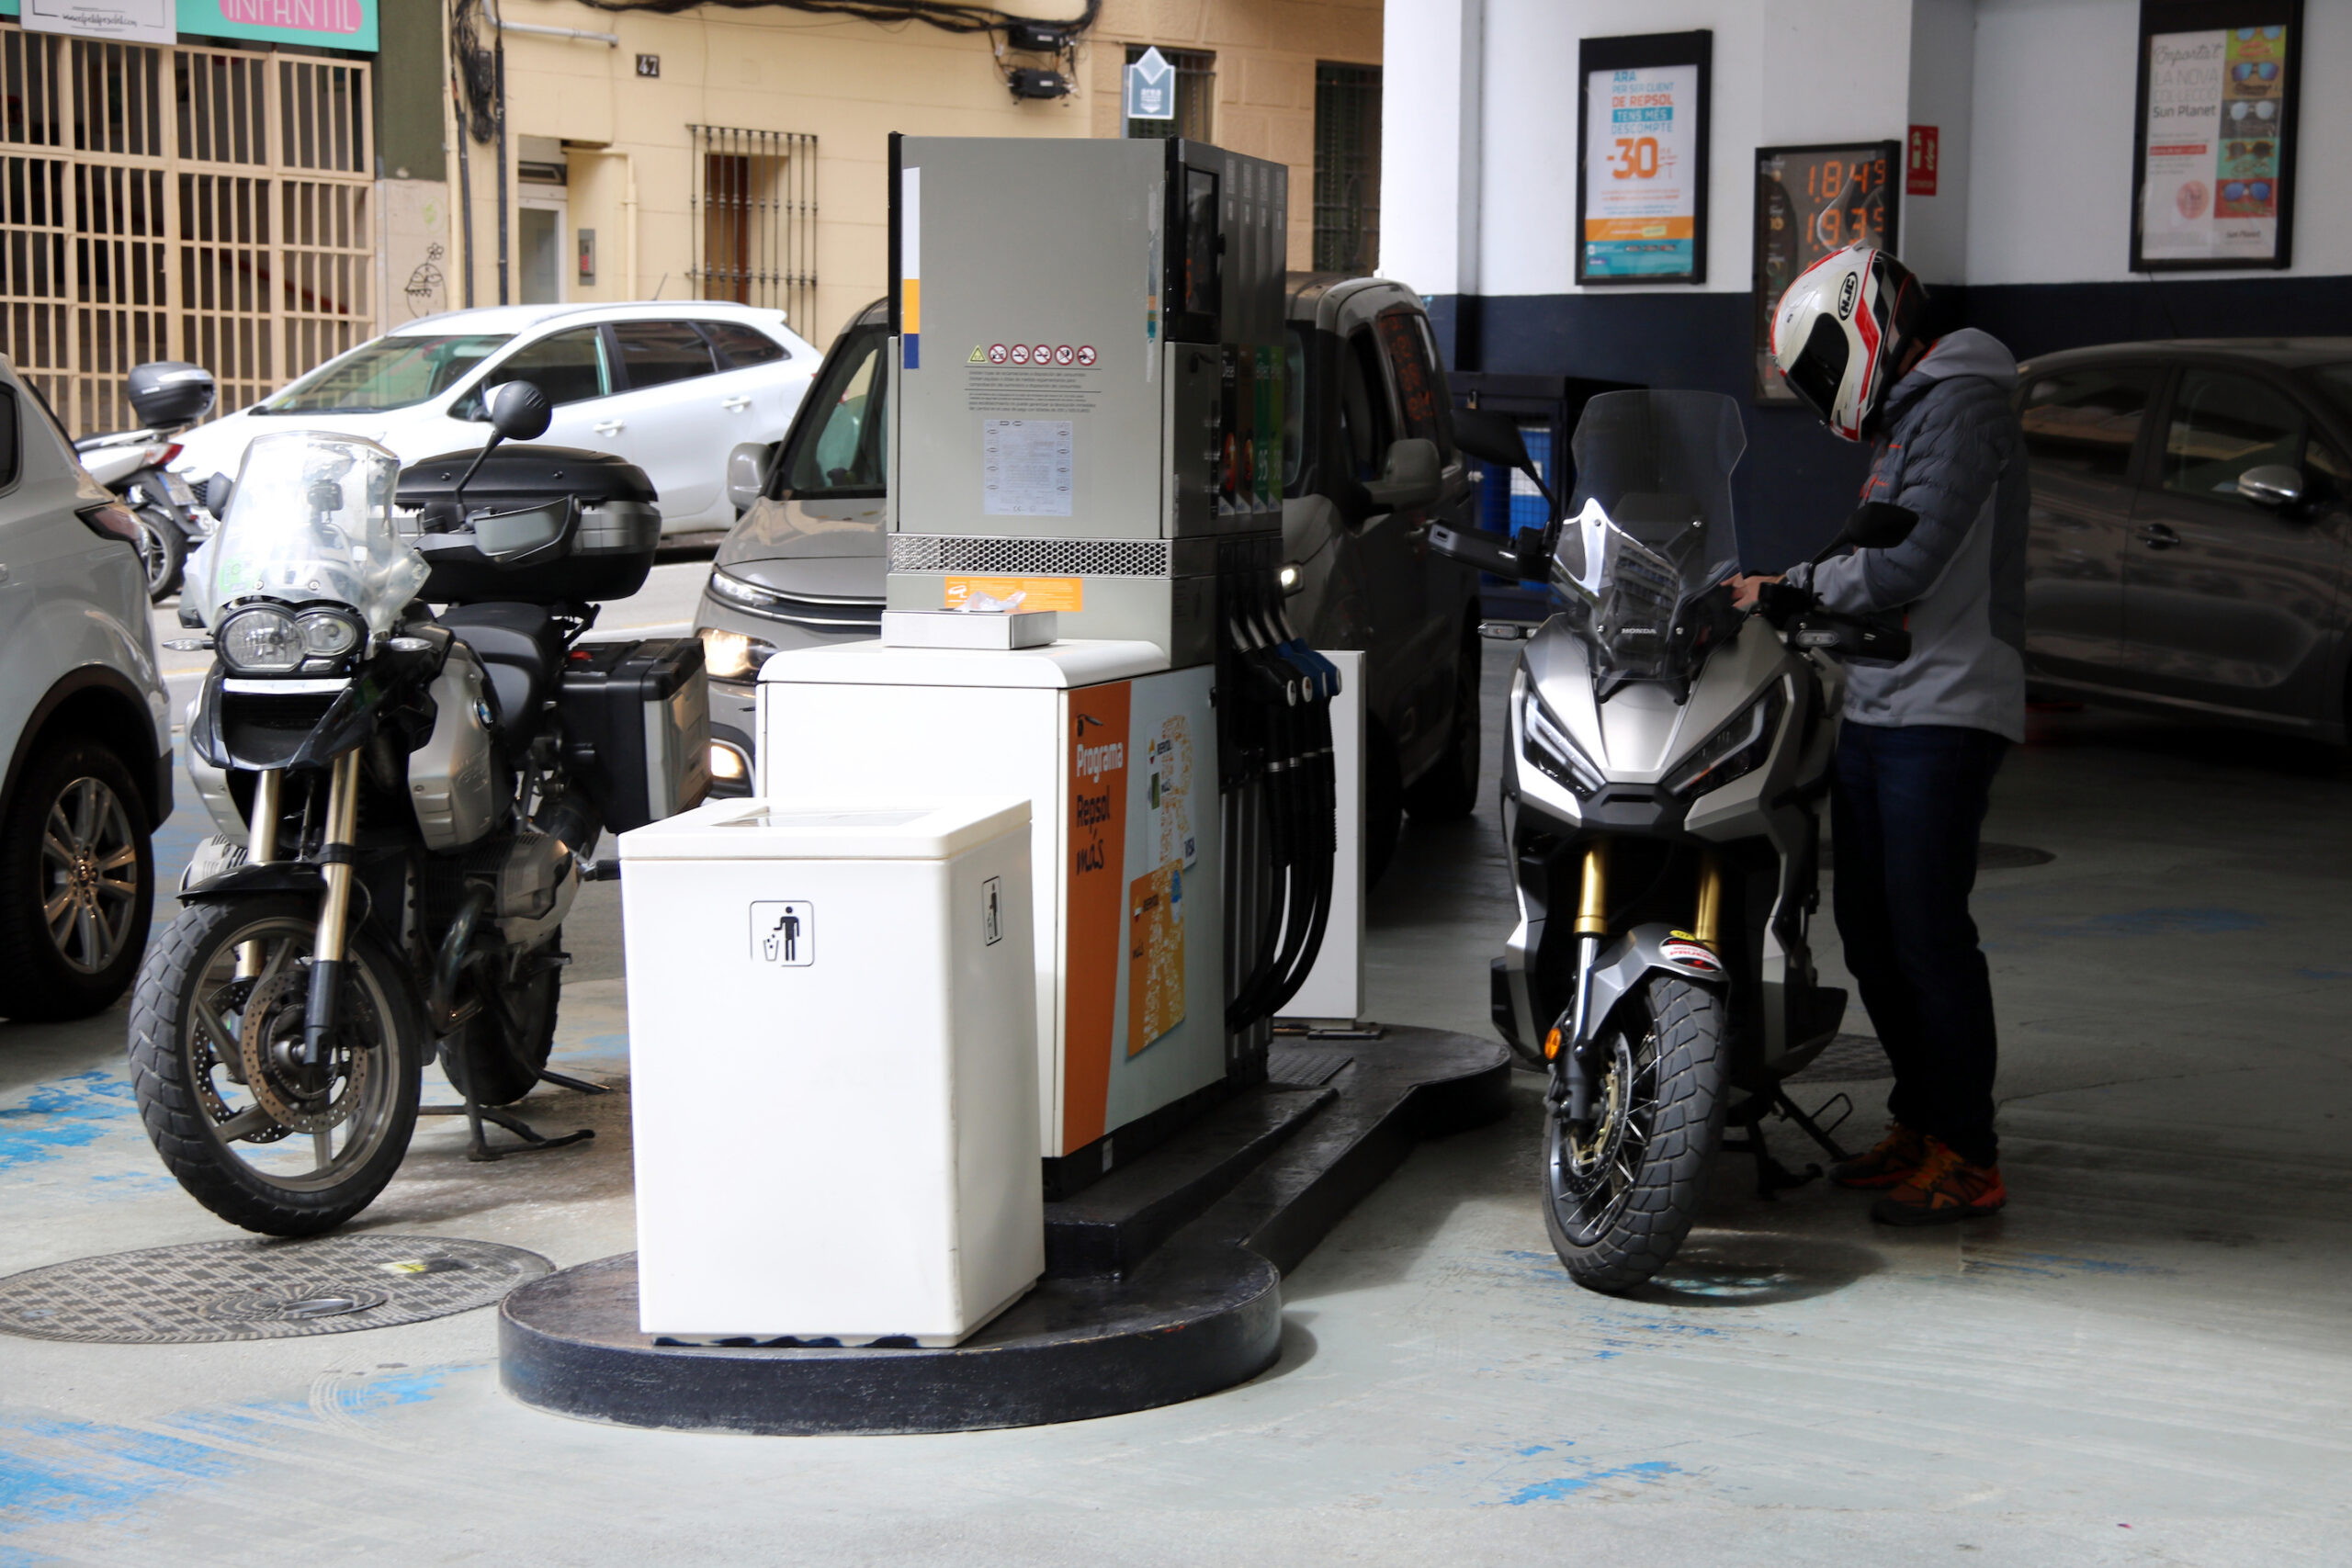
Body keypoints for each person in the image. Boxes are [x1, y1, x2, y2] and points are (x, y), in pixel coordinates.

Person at [1732, 244, 2027, 1225]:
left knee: (1927, 936)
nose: (1821, 394)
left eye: (1819, 366)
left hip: (1944, 708)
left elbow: (1904, 565)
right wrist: (1795, 587)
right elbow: (1873, 550)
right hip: (1887, 700)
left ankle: (1966, 1152)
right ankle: (1921, 1121)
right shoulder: (1915, 412)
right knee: (1871, 931)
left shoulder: (1961, 399)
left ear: (1861, 329)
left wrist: (1789, 590)